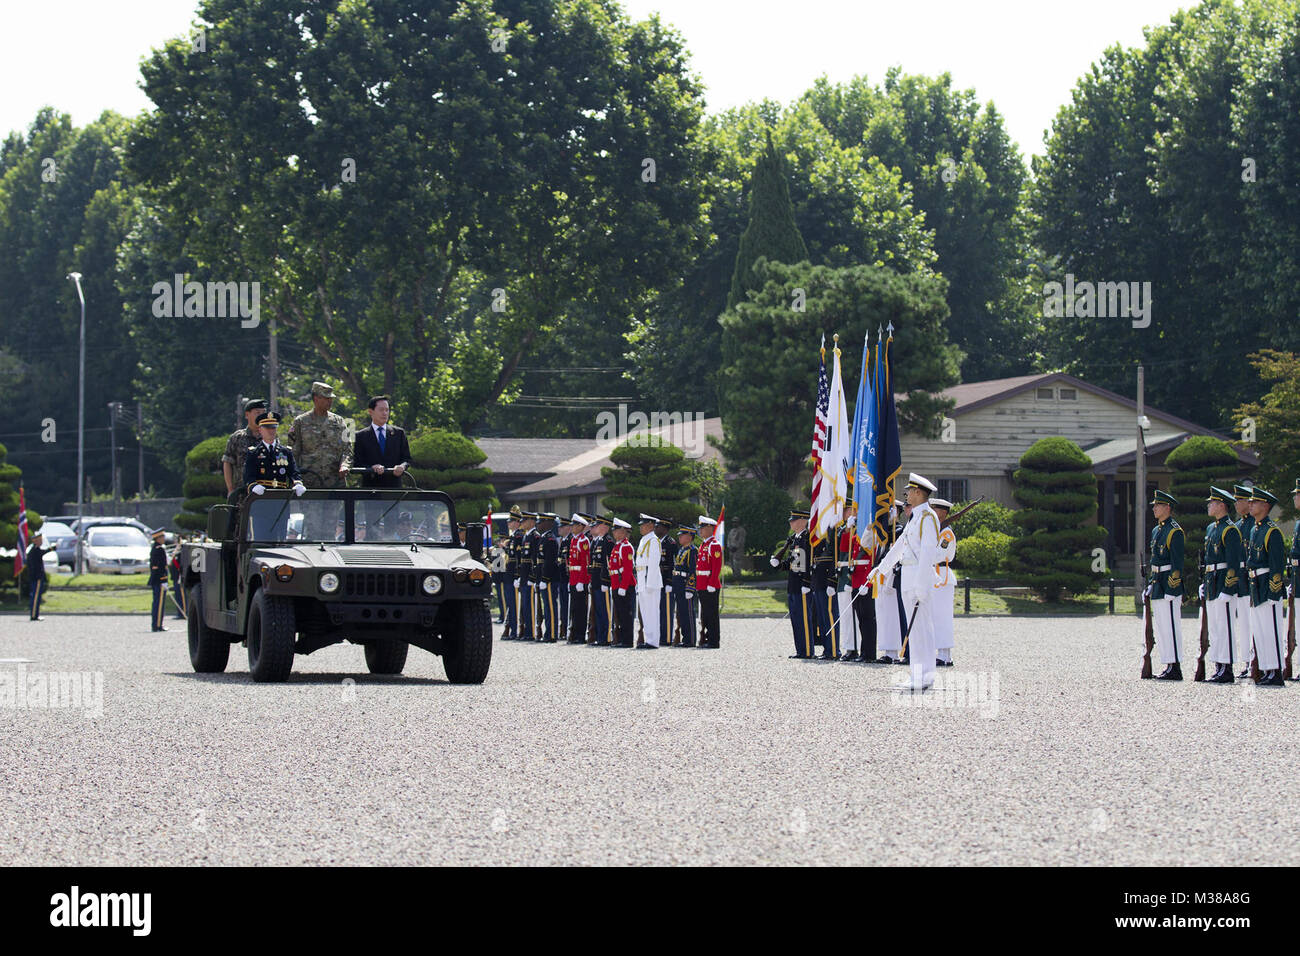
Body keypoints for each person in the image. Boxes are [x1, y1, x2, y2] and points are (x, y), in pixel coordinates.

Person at [870, 474, 943, 692]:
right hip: (908, 575)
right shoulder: (916, 518)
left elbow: (928, 554)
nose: (907, 494)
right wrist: (881, 568)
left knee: (921, 627)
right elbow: (899, 547)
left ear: (919, 493)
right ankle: (918, 673)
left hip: (918, 577)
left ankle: (924, 674)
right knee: (915, 629)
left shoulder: (928, 518)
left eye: (910, 491)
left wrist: (922, 585)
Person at [1142, 489, 1185, 680]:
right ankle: (1168, 663)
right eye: (1154, 505)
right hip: (1158, 582)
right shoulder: (1157, 530)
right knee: (1161, 627)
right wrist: (1151, 582)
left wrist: (1173, 586)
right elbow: (1155, 560)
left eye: (1157, 505)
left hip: (1169, 584)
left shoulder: (1174, 531)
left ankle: (1175, 666)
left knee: (1171, 626)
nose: (1154, 508)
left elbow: (1177, 563)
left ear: (1167, 507)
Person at [1202, 487, 1243, 683]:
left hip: (1223, 583)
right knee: (1216, 628)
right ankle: (1218, 664)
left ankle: (1227, 668)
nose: (1209, 505)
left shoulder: (1230, 529)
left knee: (1225, 626)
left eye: (1212, 503)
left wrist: (1228, 587)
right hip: (1212, 582)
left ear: (1221, 505)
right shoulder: (1212, 528)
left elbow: (1233, 563)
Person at [1246, 487, 1286, 686]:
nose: (1250, 505)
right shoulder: (1256, 529)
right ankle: (1266, 669)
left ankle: (1275, 671)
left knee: (1271, 630)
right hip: (1256, 586)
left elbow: (1277, 565)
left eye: (1254, 502)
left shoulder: (1272, 531)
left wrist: (1274, 591)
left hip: (1267, 587)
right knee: (1261, 631)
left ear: (1265, 505)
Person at [244, 412, 306, 539]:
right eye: (267, 428)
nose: (271, 431)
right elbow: (248, 476)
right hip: (261, 503)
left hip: (280, 502)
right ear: (260, 430)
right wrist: (254, 486)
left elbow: (293, 471)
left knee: (280, 541)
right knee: (261, 541)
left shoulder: (285, 452)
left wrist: (298, 483)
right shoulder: (254, 453)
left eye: (273, 428)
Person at [287, 381, 352, 488]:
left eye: (331, 398)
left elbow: (347, 449)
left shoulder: (339, 422)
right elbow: (293, 452)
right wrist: (295, 479)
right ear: (316, 398)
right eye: (326, 398)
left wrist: (345, 465)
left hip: (334, 483)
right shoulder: (300, 422)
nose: (330, 401)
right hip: (309, 482)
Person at [352, 395, 412, 489]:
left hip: (394, 488)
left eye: (387, 410)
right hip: (370, 488)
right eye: (381, 410)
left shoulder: (399, 433)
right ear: (370, 412)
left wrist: (402, 466)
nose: (385, 413)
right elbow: (357, 462)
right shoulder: (361, 436)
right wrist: (372, 467)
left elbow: (407, 459)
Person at [775, 509, 813, 658]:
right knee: (796, 620)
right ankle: (800, 650)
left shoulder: (806, 538)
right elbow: (794, 562)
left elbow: (807, 561)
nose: (791, 522)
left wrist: (806, 582)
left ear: (803, 521)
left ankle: (807, 651)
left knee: (803, 619)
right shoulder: (795, 539)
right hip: (793, 584)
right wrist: (779, 564)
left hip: (801, 584)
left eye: (794, 520)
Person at [874, 503, 907, 664]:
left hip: (891, 577)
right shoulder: (883, 532)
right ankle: (888, 650)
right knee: (884, 616)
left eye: (889, 513)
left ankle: (895, 651)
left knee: (893, 615)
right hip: (881, 578)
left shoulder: (899, 530)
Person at [1231, 484, 1256, 677]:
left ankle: (1256, 661)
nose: (1236, 504)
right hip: (1240, 581)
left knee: (1254, 622)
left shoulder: (1255, 525)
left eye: (1240, 500)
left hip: (1252, 580)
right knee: (1244, 624)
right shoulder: (1237, 526)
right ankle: (1247, 661)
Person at [931, 497, 957, 667]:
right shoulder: (937, 531)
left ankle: (945, 655)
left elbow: (940, 555)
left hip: (943, 575)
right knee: (936, 617)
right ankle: (941, 654)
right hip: (935, 576)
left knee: (943, 617)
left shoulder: (946, 533)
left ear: (943, 513)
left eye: (935, 510)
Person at [222, 398, 267, 495]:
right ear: (247, 415)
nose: (261, 416)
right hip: (242, 491)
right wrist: (230, 489)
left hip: (265, 490)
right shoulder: (237, 437)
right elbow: (227, 462)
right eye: (257, 413)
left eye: (263, 413)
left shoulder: (270, 437)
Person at [634, 514, 662, 648]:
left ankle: (653, 641)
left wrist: (650, 583)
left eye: (643, 525)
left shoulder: (653, 541)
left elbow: (653, 563)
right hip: (642, 581)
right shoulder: (644, 540)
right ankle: (648, 639)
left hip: (650, 582)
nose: (641, 527)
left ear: (651, 525)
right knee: (645, 612)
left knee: (652, 612)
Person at [695, 516, 722, 648]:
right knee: (705, 614)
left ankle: (713, 640)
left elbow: (716, 567)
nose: (700, 531)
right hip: (702, 583)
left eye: (703, 528)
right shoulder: (704, 545)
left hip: (710, 584)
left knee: (711, 614)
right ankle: (706, 638)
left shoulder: (714, 545)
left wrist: (711, 583)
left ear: (710, 528)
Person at [609, 518, 637, 647]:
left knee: (626, 614)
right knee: (619, 614)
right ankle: (620, 639)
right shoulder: (617, 546)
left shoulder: (626, 547)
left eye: (616, 530)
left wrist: (623, 586)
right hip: (616, 583)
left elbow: (627, 569)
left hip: (624, 584)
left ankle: (627, 640)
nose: (614, 532)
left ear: (623, 532)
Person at [589, 515, 614, 646]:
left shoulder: (608, 541)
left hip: (603, 581)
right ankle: (599, 636)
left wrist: (606, 581)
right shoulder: (597, 541)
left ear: (604, 526)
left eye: (598, 525)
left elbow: (608, 563)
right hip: (595, 580)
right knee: (598, 610)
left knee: (605, 610)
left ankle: (607, 637)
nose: (596, 527)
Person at [672, 525, 698, 647]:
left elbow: (693, 571)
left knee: (688, 613)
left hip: (685, 584)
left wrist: (690, 587)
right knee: (681, 613)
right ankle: (685, 638)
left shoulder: (692, 550)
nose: (680, 537)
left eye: (682, 535)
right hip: (678, 583)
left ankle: (690, 639)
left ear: (689, 537)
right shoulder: (682, 549)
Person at [566, 514, 591, 643]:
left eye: (574, 525)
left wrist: (581, 580)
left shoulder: (583, 541)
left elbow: (584, 563)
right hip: (573, 578)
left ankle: (580, 636)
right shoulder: (574, 540)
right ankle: (574, 634)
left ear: (581, 526)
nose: (572, 528)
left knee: (581, 609)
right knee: (574, 608)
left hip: (580, 579)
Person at [656, 518, 678, 645]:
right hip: (658, 582)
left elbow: (673, 564)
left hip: (666, 582)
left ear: (664, 528)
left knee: (667, 611)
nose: (656, 528)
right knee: (659, 611)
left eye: (658, 526)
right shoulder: (657, 542)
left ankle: (667, 638)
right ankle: (660, 635)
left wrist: (670, 582)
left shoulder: (670, 543)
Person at [517, 512, 538, 640]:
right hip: (524, 576)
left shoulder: (535, 537)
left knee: (530, 606)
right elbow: (523, 559)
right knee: (525, 605)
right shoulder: (526, 537)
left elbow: (535, 559)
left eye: (525, 520)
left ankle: (531, 632)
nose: (522, 523)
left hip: (530, 575)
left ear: (531, 521)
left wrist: (532, 577)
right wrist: (520, 576)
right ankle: (526, 631)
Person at [502, 507, 522, 640]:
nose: (509, 524)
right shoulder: (513, 537)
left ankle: (515, 630)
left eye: (511, 522)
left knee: (515, 605)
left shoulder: (519, 536)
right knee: (510, 604)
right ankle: (512, 629)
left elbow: (519, 558)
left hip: (514, 575)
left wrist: (517, 576)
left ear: (517, 522)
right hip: (508, 575)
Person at [26, 532, 55, 622]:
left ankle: (35, 614)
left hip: (35, 576)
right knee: (35, 597)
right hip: (36, 577)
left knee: (36, 596)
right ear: (36, 541)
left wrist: (52, 548)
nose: (41, 541)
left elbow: (43, 552)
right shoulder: (35, 550)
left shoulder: (35, 549)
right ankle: (34, 615)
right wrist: (52, 548)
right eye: (39, 540)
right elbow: (44, 552)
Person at [148, 528, 169, 633]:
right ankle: (157, 625)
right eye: (162, 537)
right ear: (158, 538)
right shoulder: (159, 549)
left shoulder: (155, 548)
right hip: (159, 580)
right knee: (159, 604)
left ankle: (157, 624)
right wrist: (164, 580)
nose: (164, 539)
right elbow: (161, 567)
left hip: (156, 580)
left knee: (157, 603)